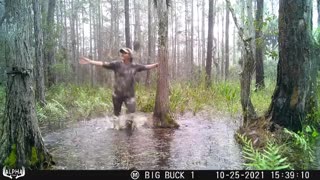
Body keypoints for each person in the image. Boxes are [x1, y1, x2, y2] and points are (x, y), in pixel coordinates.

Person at [79, 48, 159, 129]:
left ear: (130, 55)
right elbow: (103, 63)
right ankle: (116, 130)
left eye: (125, 53)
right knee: (116, 115)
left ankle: (129, 132)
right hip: (117, 95)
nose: (122, 54)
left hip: (129, 96)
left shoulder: (135, 66)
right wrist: (90, 61)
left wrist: (157, 65)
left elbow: (146, 67)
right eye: (122, 53)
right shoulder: (116, 65)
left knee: (131, 115)